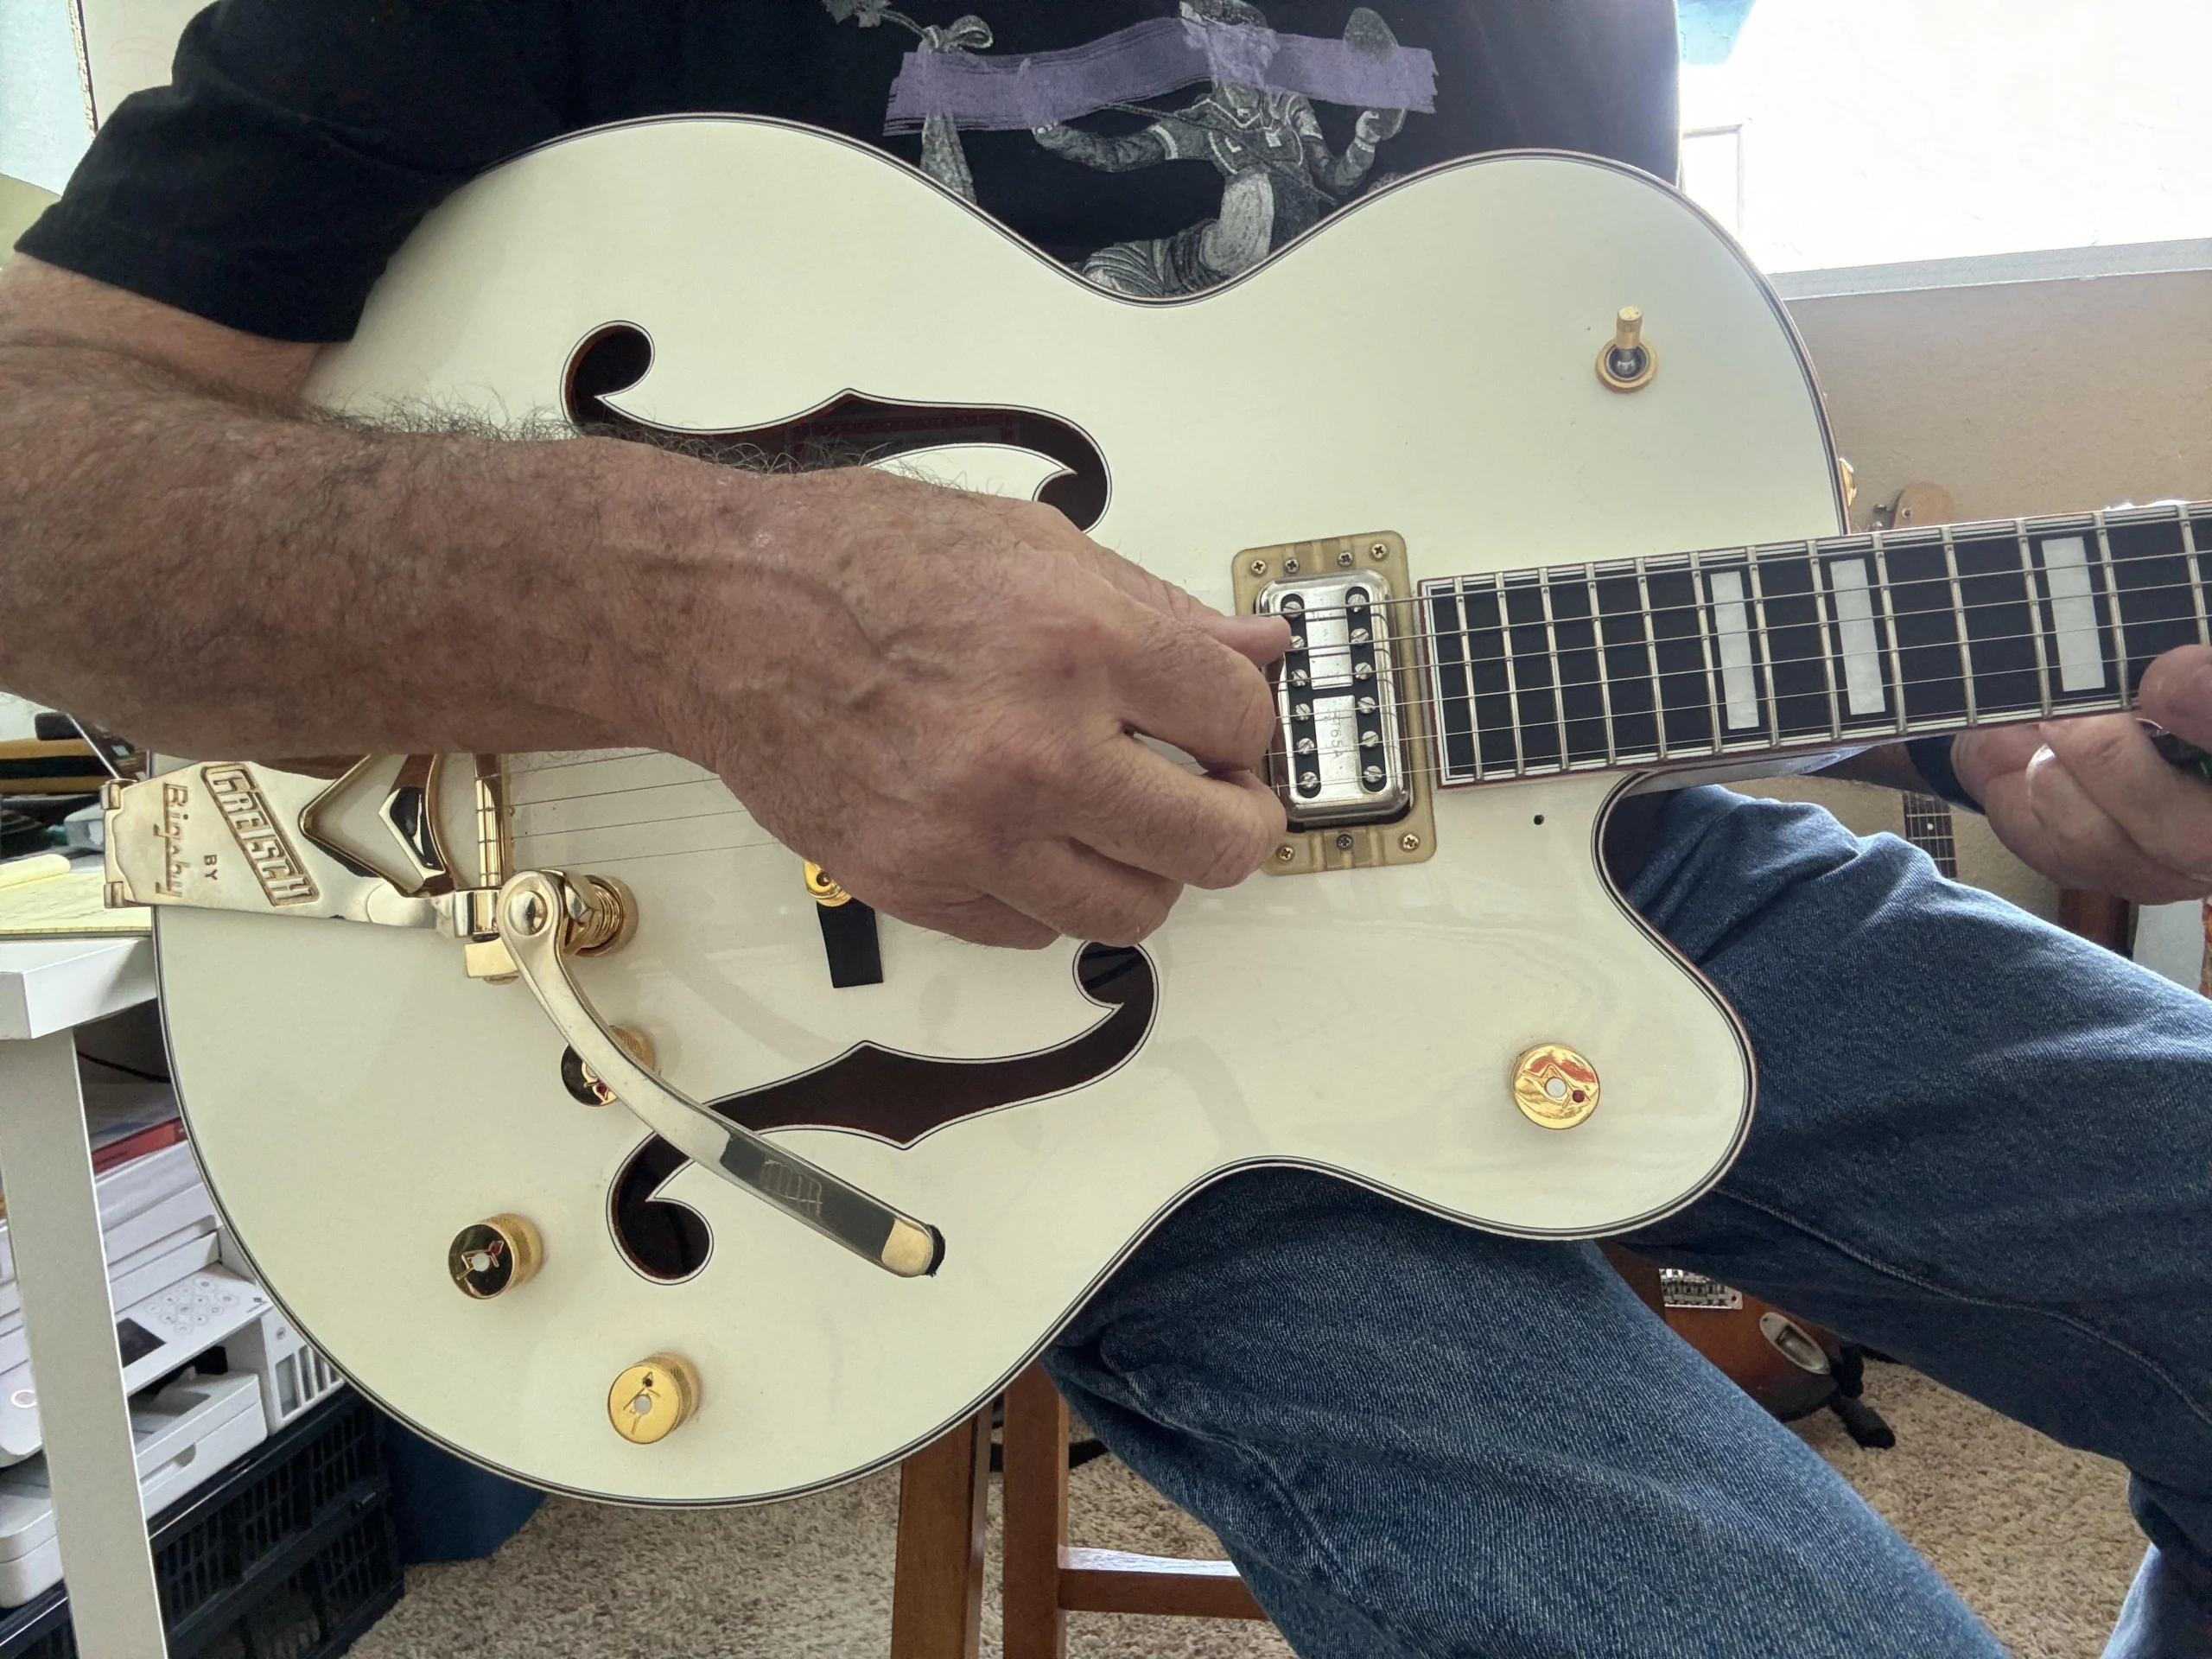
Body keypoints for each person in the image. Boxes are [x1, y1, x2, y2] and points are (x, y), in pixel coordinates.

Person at [1, 3, 2206, 1653]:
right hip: (1008, 1064)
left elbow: (1589, 531)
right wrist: (703, 614)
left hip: (1602, 876)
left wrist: (1981, 727)